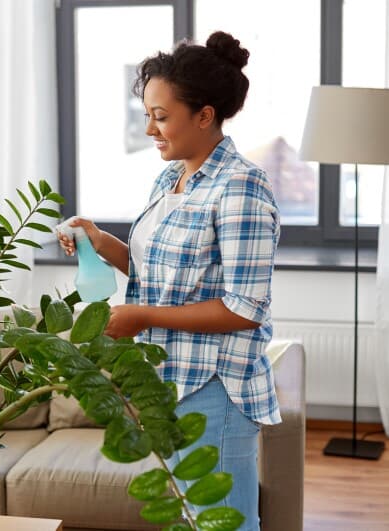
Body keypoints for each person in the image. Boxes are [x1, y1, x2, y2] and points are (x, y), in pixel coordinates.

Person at [56, 32, 280, 530]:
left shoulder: (241, 186)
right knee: (194, 520)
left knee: (224, 524)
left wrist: (141, 318)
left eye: (162, 116)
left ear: (204, 115)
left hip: (215, 386)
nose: (151, 129)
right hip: (171, 380)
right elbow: (158, 275)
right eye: (147, 116)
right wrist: (97, 238)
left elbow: (244, 308)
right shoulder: (171, 177)